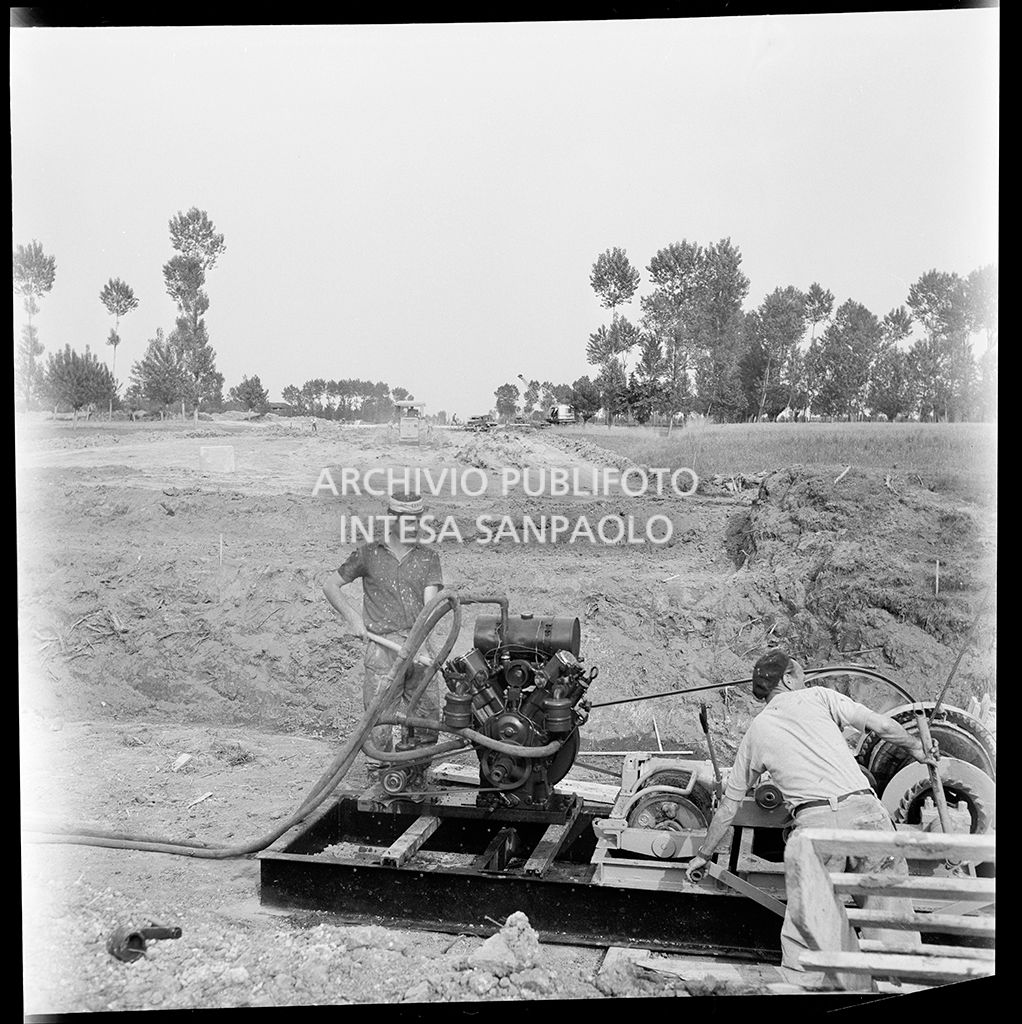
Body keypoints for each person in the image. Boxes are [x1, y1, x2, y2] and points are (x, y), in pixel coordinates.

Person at [684, 649, 935, 983]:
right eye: (800, 674)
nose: (804, 680)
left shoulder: (757, 731)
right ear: (787, 679)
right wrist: (917, 748)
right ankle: (901, 983)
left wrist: (704, 854)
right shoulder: (819, 697)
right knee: (890, 917)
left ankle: (804, 987)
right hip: (866, 816)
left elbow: (729, 806)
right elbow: (883, 725)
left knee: (808, 927)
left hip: (816, 828)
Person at [322, 491, 444, 756]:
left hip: (418, 645)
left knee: (426, 718)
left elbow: (430, 606)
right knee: (378, 724)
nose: (414, 526)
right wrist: (353, 618)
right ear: (392, 518)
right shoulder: (369, 554)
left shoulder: (428, 558)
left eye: (417, 520)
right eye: (408, 520)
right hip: (382, 650)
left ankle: (415, 772)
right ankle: (380, 775)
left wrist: (421, 645)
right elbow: (331, 586)